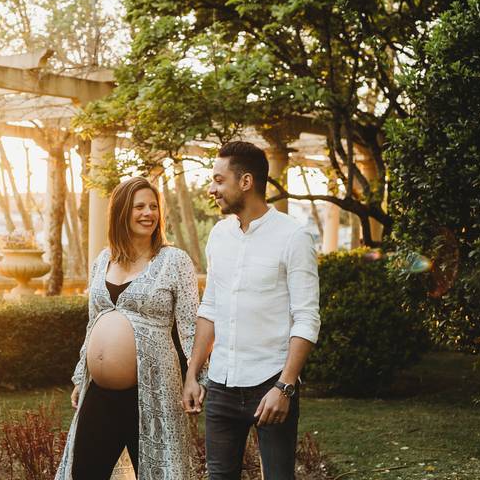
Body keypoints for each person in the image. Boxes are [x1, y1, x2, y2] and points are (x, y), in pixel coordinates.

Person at [182, 141, 321, 480]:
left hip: (271, 385)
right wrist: (192, 372)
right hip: (221, 386)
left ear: (245, 182)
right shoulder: (219, 235)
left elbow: (307, 318)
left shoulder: (293, 236)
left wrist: (285, 387)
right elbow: (210, 307)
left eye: (218, 180)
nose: (212, 189)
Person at [56, 176, 204, 480]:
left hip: (154, 388)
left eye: (153, 206)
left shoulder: (174, 261)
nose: (148, 213)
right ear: (122, 211)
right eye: (139, 207)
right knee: (83, 472)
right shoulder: (102, 260)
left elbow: (192, 326)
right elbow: (93, 322)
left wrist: (195, 377)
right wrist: (81, 375)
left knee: (159, 473)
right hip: (99, 393)